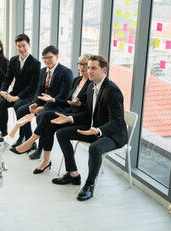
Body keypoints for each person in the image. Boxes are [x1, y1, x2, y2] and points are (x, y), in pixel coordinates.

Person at [51, 55, 127, 201]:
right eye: (88, 67)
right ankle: (73, 174)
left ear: (104, 70)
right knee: (61, 133)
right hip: (94, 128)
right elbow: (88, 112)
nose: (88, 70)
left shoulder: (112, 91)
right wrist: (70, 118)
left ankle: (89, 185)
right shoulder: (92, 87)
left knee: (94, 148)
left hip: (111, 134)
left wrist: (98, 130)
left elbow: (116, 121)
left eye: (93, 68)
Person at [12, 54, 92, 174]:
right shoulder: (77, 80)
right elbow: (67, 102)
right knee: (48, 125)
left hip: (78, 118)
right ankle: (46, 161)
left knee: (45, 115)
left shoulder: (91, 84)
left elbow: (89, 109)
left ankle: (29, 143)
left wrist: (79, 105)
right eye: (80, 64)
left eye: (85, 65)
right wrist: (53, 100)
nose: (81, 67)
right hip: (68, 111)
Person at [12, 45, 73, 159]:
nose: (46, 60)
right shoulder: (43, 71)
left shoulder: (66, 72)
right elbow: (39, 90)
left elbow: (63, 95)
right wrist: (35, 103)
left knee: (41, 116)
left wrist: (44, 107)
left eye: (49, 57)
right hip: (44, 103)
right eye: (44, 58)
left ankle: (40, 148)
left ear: (57, 56)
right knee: (21, 110)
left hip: (59, 105)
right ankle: (31, 143)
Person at [0, 33, 40, 137]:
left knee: (18, 105)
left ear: (29, 45)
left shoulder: (35, 63)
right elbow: (8, 78)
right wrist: (3, 91)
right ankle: (3, 133)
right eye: (19, 46)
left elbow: (32, 86)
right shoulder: (13, 60)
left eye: (24, 45)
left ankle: (22, 136)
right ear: (16, 46)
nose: (21, 48)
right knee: (1, 103)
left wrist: (16, 98)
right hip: (15, 92)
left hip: (28, 95)